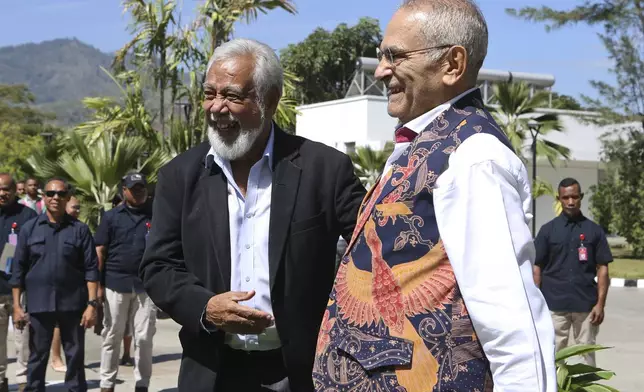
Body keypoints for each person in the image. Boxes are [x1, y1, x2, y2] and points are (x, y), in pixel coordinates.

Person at [314, 1, 557, 391]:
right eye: (381, 56)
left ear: (452, 64)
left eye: (395, 56)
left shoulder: (473, 156)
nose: (380, 71)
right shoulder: (425, 146)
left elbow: (512, 323)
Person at [139, 38, 365, 392]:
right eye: (209, 93)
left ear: (270, 100)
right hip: (212, 371)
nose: (216, 107)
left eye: (232, 95)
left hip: (299, 371)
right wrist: (206, 307)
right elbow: (158, 266)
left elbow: (373, 251)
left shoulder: (325, 170)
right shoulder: (179, 176)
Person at [10, 178, 99, 392]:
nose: (55, 198)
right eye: (50, 194)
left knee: (75, 356)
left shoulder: (80, 230)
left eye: (60, 194)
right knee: (37, 355)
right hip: (39, 304)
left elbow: (91, 269)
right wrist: (16, 306)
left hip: (73, 304)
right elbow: (18, 269)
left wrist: (92, 304)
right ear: (44, 197)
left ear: (68, 198)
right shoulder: (29, 229)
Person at [534, 178, 612, 366]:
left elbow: (603, 268)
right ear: (559, 198)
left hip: (586, 306)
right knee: (554, 357)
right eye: (566, 197)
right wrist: (535, 303)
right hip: (554, 306)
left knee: (586, 356)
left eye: (574, 197)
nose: (570, 201)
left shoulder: (594, 231)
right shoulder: (547, 231)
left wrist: (600, 304)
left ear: (581, 197)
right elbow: (537, 267)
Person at [96, 173, 155, 392]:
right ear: (124, 191)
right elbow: (100, 251)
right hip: (115, 284)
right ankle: (107, 384)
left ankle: (142, 384)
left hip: (145, 287)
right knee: (112, 335)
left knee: (144, 337)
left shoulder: (155, 215)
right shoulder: (111, 217)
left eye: (142, 188)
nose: (138, 192)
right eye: (134, 188)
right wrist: (98, 286)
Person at [0, 174, 37, 392]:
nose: (2, 193)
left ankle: (24, 381)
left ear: (16, 190)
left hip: (20, 290)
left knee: (23, 340)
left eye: (6, 189)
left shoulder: (28, 216)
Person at [47, 195, 83, 374]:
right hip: (53, 288)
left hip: (73, 288)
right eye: (74, 207)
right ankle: (55, 357)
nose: (77, 211)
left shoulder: (79, 229)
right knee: (56, 325)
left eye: (78, 208)